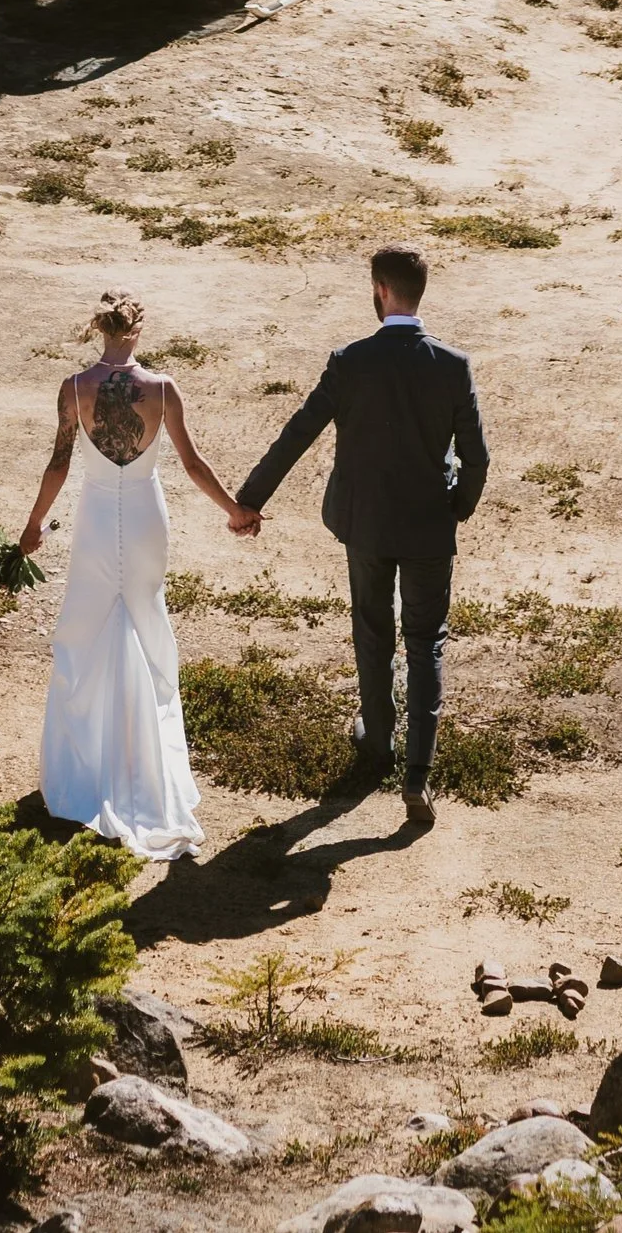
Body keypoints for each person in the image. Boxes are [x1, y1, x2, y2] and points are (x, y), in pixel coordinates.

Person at [233, 245, 488, 831]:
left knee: (373, 629)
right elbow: (476, 456)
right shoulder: (453, 365)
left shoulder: (350, 361)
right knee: (426, 643)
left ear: (379, 290)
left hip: (365, 524)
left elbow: (298, 432)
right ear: (418, 294)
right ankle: (418, 775)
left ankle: (377, 740)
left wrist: (250, 500)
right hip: (428, 527)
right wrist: (456, 510)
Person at [18, 288, 254, 859]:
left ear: (100, 329)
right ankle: (143, 764)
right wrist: (235, 511)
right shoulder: (163, 389)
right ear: (139, 331)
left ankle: (89, 763)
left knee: (85, 629)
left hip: (98, 517)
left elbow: (59, 462)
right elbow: (193, 463)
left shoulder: (75, 389)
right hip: (147, 517)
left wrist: (32, 525)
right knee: (146, 627)